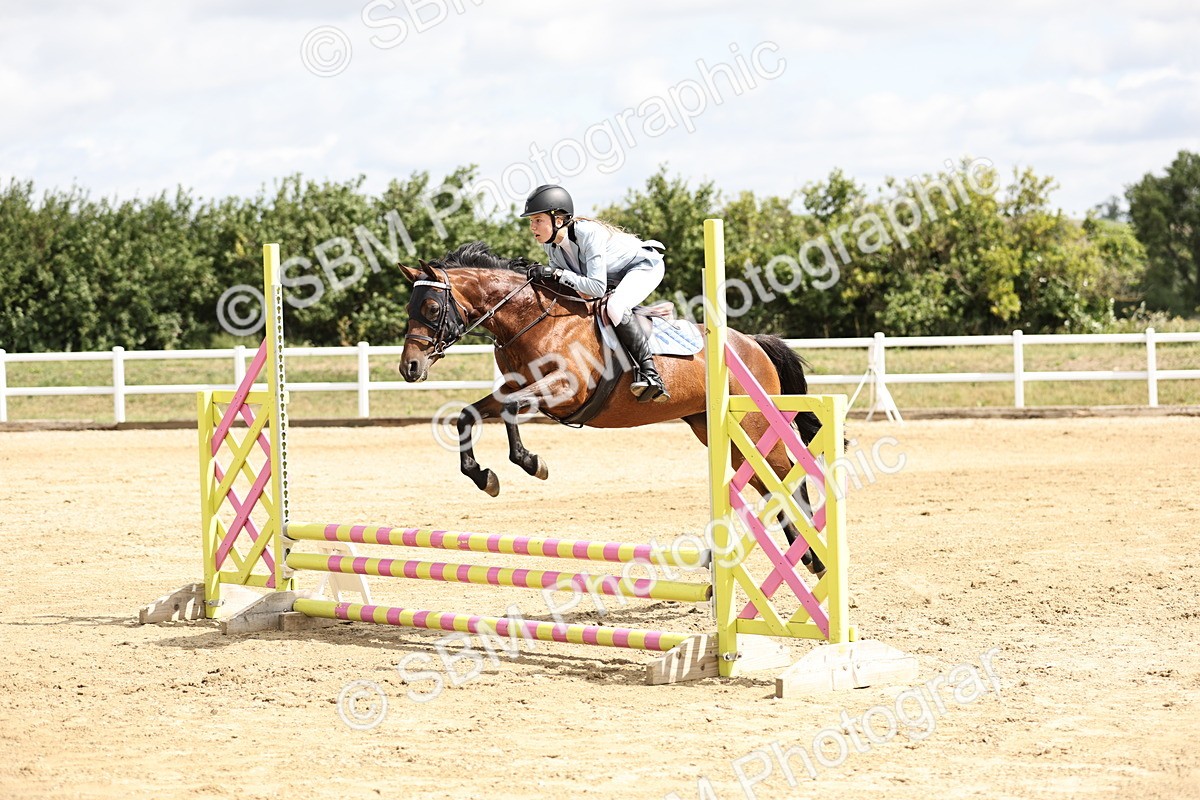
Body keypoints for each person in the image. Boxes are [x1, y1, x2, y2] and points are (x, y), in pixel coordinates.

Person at [519, 184, 670, 402]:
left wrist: (556, 273)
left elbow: (596, 287)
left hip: (644, 266)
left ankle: (650, 374)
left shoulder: (587, 233)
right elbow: (582, 293)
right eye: (531, 221)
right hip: (614, 279)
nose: (532, 227)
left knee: (615, 306)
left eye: (538, 220)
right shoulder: (550, 246)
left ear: (558, 220)